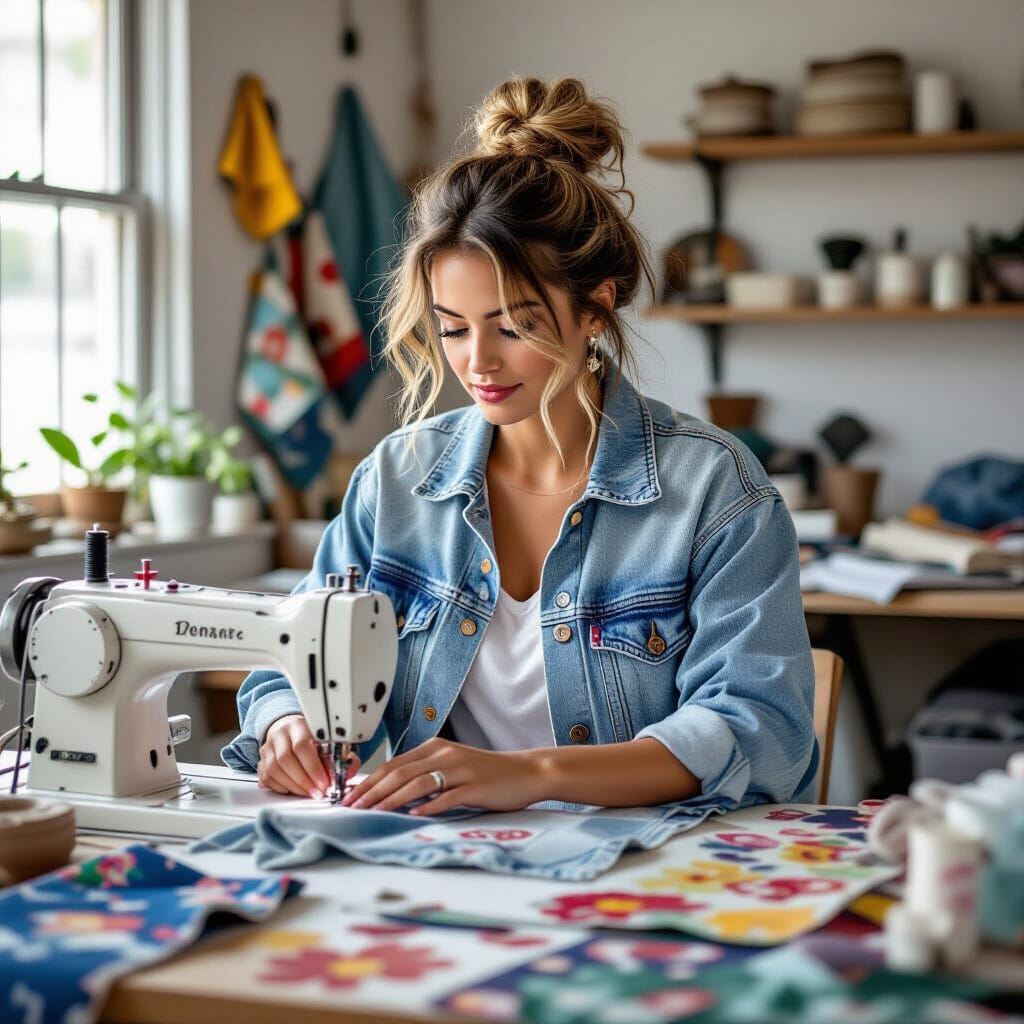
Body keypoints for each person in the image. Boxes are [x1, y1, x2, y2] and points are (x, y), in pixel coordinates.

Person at [222, 77, 817, 817]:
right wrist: (284, 722)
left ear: (595, 308)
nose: (477, 362)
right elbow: (290, 659)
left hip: (639, 859)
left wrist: (535, 773)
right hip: (436, 855)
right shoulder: (396, 480)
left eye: (513, 326)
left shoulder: (715, 489)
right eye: (452, 327)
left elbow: (759, 729)